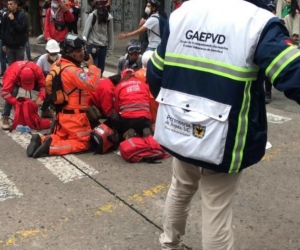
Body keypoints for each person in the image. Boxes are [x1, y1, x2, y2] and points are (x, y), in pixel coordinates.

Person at [146, 0, 300, 249]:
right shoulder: (258, 22)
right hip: (223, 135)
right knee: (216, 208)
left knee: (180, 189)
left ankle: (168, 244)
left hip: (180, 125)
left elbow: (155, 72)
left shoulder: (182, 14)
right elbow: (293, 72)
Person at [26, 33, 101, 158]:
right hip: (75, 116)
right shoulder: (73, 71)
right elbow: (92, 85)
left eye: (82, 49)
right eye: (78, 51)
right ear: (70, 53)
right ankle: (51, 148)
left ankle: (43, 140)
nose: (82, 53)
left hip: (61, 115)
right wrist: (92, 66)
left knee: (62, 136)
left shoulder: (57, 64)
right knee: (84, 143)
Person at [1, 61, 46, 130]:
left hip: (30, 78)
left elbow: (43, 87)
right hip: (15, 80)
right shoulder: (12, 74)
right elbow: (4, 93)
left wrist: (40, 98)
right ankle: (5, 116)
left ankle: (45, 110)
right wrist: (16, 103)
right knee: (13, 92)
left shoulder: (37, 70)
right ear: (20, 77)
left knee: (49, 87)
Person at [112, 69, 152, 141]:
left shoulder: (119, 86)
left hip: (128, 119)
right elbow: (149, 102)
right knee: (142, 125)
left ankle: (126, 133)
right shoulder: (143, 84)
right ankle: (145, 130)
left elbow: (116, 108)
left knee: (115, 117)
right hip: (145, 118)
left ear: (123, 77)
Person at [82, 0, 114, 76]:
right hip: (92, 45)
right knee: (94, 68)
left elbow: (110, 34)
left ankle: (99, 85)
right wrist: (84, 45)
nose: (101, 10)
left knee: (101, 69)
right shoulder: (92, 16)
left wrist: (110, 49)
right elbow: (85, 32)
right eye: (100, 8)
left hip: (103, 47)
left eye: (103, 8)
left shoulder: (109, 18)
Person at [1, 0, 28, 65]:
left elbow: (21, 29)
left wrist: (13, 20)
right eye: (8, 4)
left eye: (11, 4)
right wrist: (3, 43)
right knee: (11, 65)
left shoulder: (21, 15)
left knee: (19, 65)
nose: (9, 6)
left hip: (19, 46)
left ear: (16, 5)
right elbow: (3, 30)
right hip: (9, 46)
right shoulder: (5, 16)